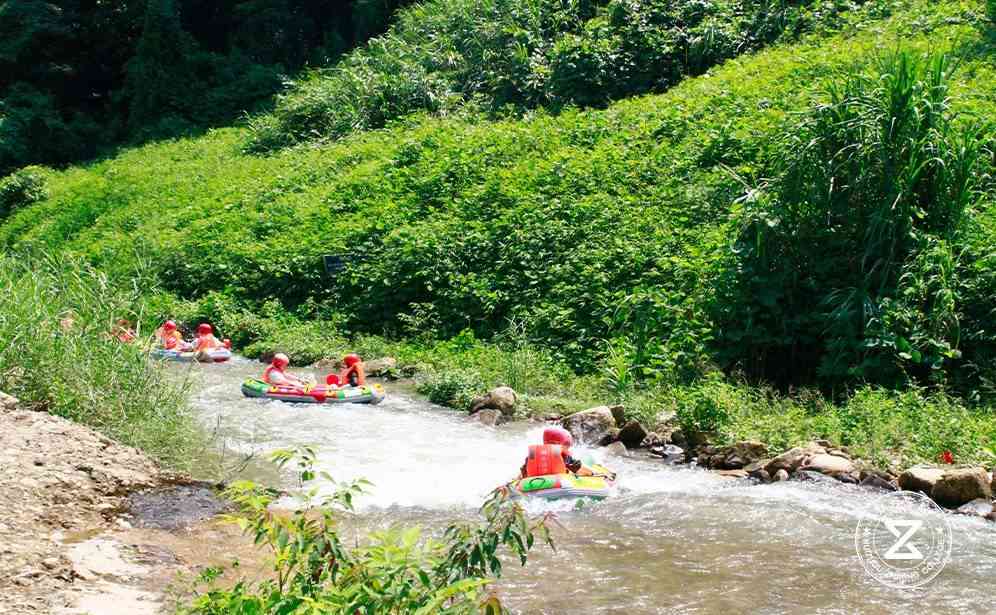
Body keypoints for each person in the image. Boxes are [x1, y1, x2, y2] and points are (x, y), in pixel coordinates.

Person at [520, 427, 593, 478]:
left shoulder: (533, 455)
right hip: (560, 485)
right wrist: (593, 474)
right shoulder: (566, 457)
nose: (568, 447)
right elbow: (583, 471)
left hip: (534, 486)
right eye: (567, 445)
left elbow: (524, 472)